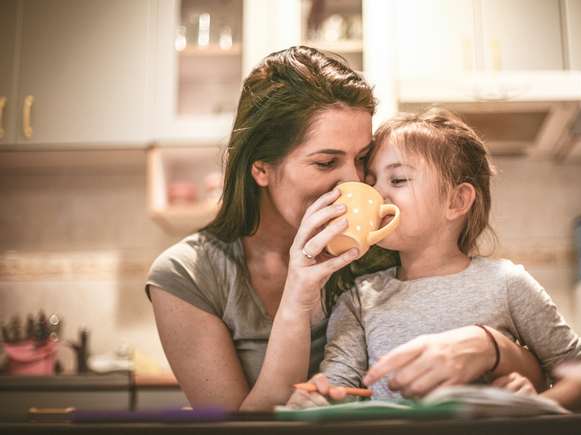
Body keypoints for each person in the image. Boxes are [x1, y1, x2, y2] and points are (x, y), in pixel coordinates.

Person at [146, 46, 543, 411]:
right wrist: (298, 295)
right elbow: (241, 428)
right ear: (261, 169)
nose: (353, 182)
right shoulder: (187, 276)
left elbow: (545, 372)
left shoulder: (383, 245)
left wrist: (492, 346)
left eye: (362, 159)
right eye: (325, 163)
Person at [288, 108, 581, 410]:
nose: (377, 194)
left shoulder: (506, 283)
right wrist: (319, 395)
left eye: (398, 180)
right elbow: (339, 387)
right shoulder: (358, 300)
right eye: (371, 181)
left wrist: (535, 406)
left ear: (457, 200)